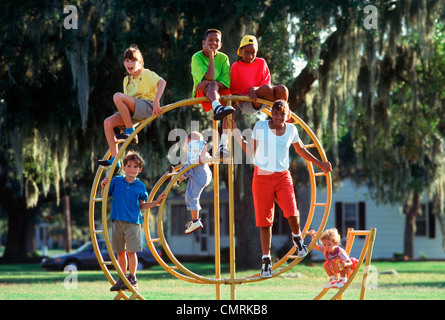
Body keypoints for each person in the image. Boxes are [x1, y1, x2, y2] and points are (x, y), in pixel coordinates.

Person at [228, 100, 332, 278]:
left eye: (282, 114)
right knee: (264, 220)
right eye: (275, 114)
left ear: (287, 114)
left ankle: (298, 239)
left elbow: (301, 150)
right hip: (261, 177)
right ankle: (266, 261)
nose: (278, 117)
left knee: (292, 211)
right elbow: (250, 150)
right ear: (271, 114)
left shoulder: (291, 130)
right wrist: (235, 132)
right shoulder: (261, 126)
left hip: (282, 175)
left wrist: (320, 164)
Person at [100, 150, 166, 291]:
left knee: (131, 251)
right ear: (124, 168)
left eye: (135, 167)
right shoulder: (116, 181)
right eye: (129, 166)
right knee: (120, 252)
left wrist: (156, 202)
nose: (131, 169)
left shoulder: (140, 186)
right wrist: (103, 186)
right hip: (117, 221)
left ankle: (132, 277)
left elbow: (143, 205)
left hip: (133, 222)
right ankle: (122, 277)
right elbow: (105, 197)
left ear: (139, 169)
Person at [98, 44, 167, 167]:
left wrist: (156, 102)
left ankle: (131, 131)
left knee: (117, 96)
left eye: (133, 60)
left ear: (140, 62)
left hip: (147, 105)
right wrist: (121, 129)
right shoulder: (126, 80)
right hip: (135, 111)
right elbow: (125, 107)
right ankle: (115, 159)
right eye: (127, 60)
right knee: (108, 123)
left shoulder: (146, 73)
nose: (129, 63)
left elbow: (162, 82)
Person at [191, 29, 234, 158]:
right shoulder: (197, 57)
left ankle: (223, 145)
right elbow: (209, 76)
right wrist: (210, 56)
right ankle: (217, 106)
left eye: (217, 41)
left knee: (230, 101)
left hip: (217, 91)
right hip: (203, 93)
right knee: (212, 84)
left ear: (220, 45)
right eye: (210, 40)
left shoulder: (224, 58)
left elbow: (226, 83)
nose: (213, 42)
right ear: (203, 42)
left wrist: (210, 82)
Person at [230, 35, 288, 115]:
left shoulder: (261, 62)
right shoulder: (235, 67)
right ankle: (279, 109)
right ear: (240, 51)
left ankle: (283, 114)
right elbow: (234, 92)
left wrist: (254, 89)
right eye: (247, 53)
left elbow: (266, 83)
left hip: (264, 97)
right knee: (266, 88)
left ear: (256, 51)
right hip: (247, 102)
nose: (250, 56)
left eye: (253, 53)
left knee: (283, 89)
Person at [175, 131, 212, 234]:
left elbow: (204, 143)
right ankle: (177, 178)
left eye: (187, 143)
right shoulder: (196, 155)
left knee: (191, 197)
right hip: (203, 175)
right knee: (188, 168)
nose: (186, 145)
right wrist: (203, 158)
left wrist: (202, 156)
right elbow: (211, 160)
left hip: (200, 177)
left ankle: (195, 221)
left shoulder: (195, 149)